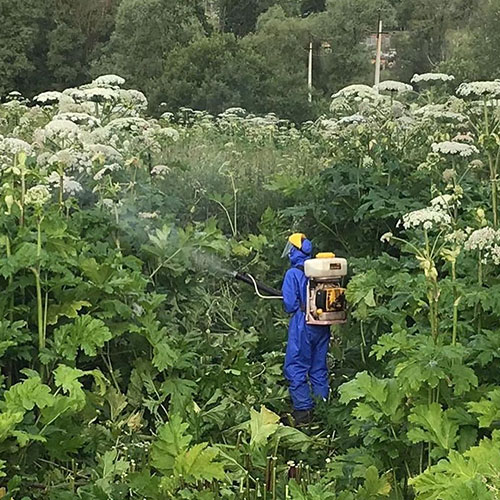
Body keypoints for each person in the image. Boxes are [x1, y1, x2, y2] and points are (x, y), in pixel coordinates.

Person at [281, 233, 330, 424]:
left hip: (303, 323)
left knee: (296, 366)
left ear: (294, 251)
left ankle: (303, 413)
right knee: (318, 368)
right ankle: (323, 409)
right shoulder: (319, 271)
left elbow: (290, 305)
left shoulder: (293, 273)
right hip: (322, 323)